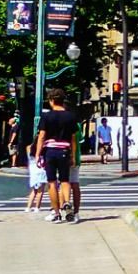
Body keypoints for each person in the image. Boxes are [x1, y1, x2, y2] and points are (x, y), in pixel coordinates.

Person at [34, 88, 79, 222]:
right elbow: (73, 138)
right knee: (65, 180)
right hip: (65, 150)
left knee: (52, 183)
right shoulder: (70, 116)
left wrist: (37, 154)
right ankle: (67, 202)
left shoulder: (46, 116)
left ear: (52, 101)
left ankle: (57, 213)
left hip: (50, 151)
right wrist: (73, 155)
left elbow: (41, 136)